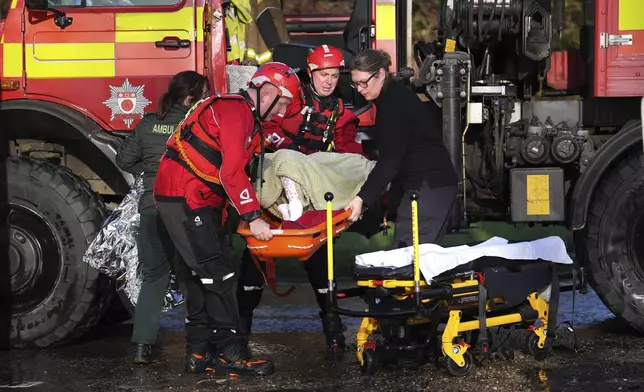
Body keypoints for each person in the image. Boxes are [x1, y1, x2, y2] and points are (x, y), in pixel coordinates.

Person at [152, 62, 300, 376]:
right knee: (218, 276)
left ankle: (197, 352)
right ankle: (231, 353)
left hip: (189, 195)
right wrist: (253, 217)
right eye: (284, 103)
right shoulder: (236, 111)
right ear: (268, 91)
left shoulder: (238, 112)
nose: (283, 111)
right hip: (187, 196)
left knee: (200, 275)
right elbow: (230, 171)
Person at [236, 45, 364, 353]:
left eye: (334, 75)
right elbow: (266, 127)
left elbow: (348, 149)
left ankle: (334, 336)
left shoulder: (341, 112)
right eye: (323, 74)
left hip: (308, 194)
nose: (329, 81)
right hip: (275, 184)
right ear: (311, 73)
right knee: (253, 263)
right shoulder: (291, 98)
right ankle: (238, 337)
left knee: (322, 264)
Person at [115, 71, 208, 364]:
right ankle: (202, 347)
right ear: (191, 98)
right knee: (198, 276)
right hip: (185, 211)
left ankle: (142, 347)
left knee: (154, 279)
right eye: (203, 95)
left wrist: (152, 166)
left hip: (151, 211)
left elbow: (123, 159)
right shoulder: (195, 125)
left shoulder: (148, 123)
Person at [344, 49, 458, 249]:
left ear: (381, 74)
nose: (360, 89)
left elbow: (390, 161)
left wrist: (362, 198)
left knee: (408, 259)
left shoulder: (393, 105)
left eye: (363, 82)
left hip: (429, 186)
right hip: (430, 185)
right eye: (355, 83)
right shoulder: (393, 97)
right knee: (413, 259)